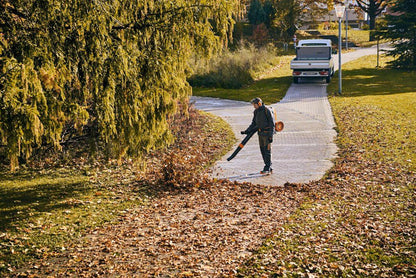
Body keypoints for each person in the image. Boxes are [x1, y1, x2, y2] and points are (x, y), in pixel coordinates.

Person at [241, 97, 274, 174]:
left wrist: (270, 135)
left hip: (266, 134)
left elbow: (272, 124)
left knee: (267, 151)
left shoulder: (267, 111)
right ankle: (269, 166)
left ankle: (267, 167)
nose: (253, 106)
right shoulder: (256, 112)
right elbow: (254, 123)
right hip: (260, 134)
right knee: (262, 150)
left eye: (254, 104)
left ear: (259, 103)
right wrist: (247, 131)